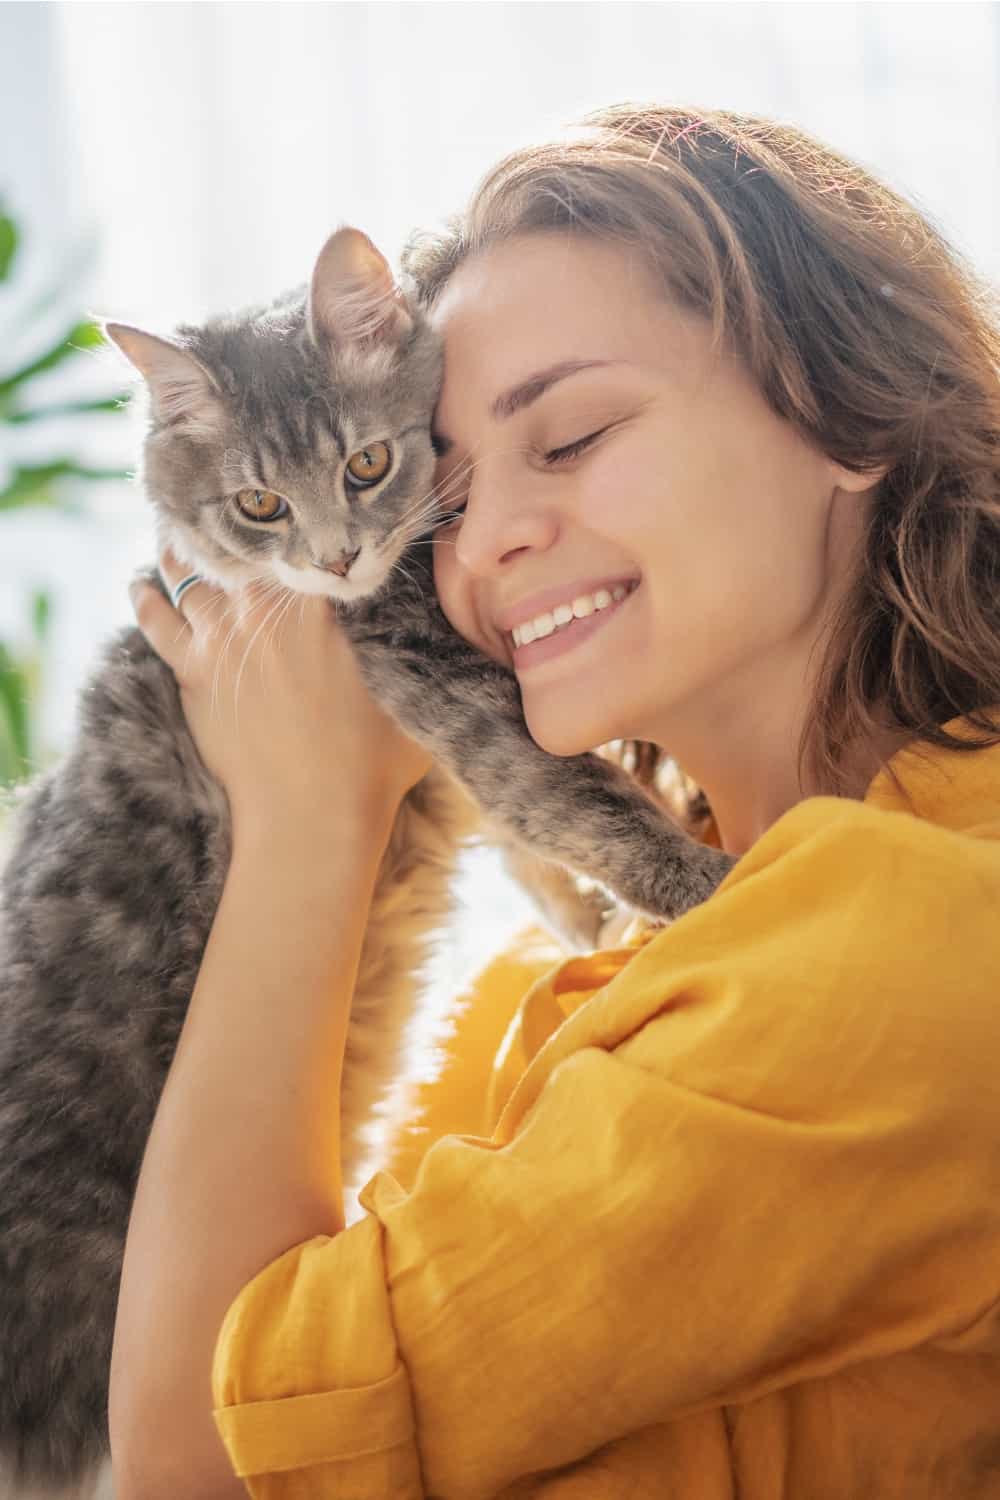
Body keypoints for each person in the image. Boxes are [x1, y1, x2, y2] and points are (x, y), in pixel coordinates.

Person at [109, 105, 1000, 1498]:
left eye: (572, 437)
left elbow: (192, 1466)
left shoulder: (906, 944)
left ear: (846, 413)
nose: (494, 537)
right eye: (446, 498)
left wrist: (305, 820)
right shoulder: (627, 955)